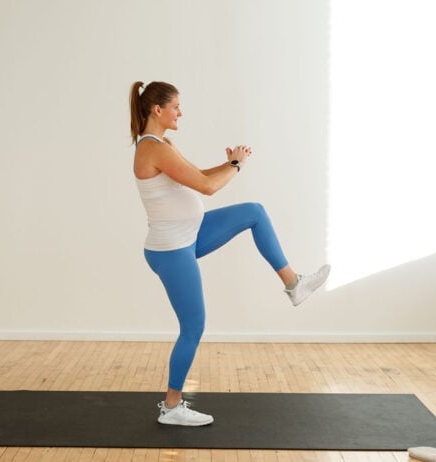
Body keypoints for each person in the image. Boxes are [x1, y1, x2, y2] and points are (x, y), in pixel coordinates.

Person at [129, 81, 330, 426]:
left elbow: (200, 176)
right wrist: (236, 167)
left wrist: (230, 163)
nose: (181, 112)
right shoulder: (152, 148)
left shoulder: (163, 144)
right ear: (157, 110)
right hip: (171, 250)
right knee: (193, 326)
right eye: (176, 106)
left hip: (189, 235)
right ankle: (172, 407)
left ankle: (294, 283)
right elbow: (208, 187)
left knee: (254, 211)